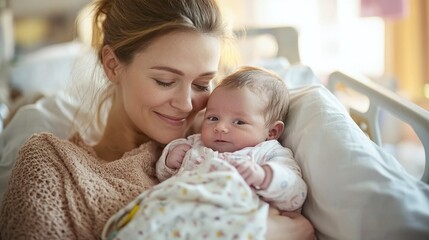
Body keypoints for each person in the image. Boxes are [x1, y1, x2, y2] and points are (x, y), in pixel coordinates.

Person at [0, 0, 314, 239]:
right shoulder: (52, 166)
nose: (186, 103)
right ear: (112, 65)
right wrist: (263, 232)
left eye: (203, 84)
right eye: (165, 80)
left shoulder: (234, 146)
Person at [101, 66, 307, 239]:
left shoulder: (267, 153)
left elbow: (295, 193)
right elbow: (165, 178)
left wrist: (265, 176)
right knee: (146, 219)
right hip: (180, 209)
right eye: (213, 118)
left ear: (272, 131)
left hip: (229, 217)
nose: (221, 128)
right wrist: (170, 159)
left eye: (239, 122)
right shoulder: (196, 143)